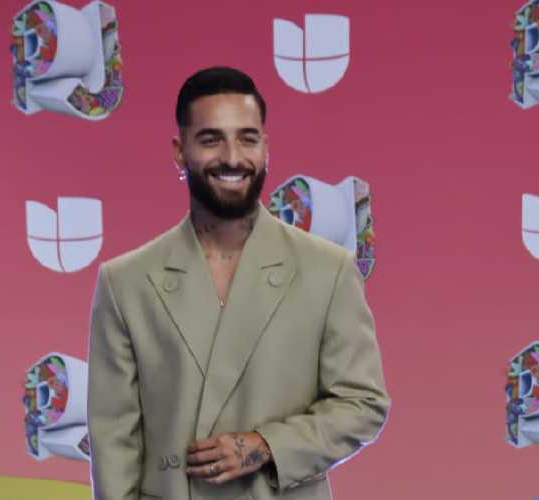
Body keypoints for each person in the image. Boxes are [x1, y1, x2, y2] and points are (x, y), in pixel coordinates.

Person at [87, 66, 390, 500]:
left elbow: (363, 405)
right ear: (180, 151)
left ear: (266, 147)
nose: (232, 157)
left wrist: (266, 446)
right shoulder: (125, 282)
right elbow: (114, 441)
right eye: (211, 139)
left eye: (247, 138)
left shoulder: (328, 270)